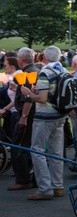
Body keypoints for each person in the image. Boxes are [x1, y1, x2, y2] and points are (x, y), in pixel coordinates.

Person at [20, 46, 68, 200]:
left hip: (45, 115)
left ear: (44, 58)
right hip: (60, 115)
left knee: (37, 150)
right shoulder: (64, 71)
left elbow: (42, 98)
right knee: (56, 152)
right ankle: (57, 186)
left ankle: (44, 188)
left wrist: (28, 94)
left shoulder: (45, 73)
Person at [7, 48, 38, 191]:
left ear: (21, 59)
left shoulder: (27, 74)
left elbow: (28, 98)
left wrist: (24, 117)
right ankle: (29, 176)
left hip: (27, 115)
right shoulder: (35, 70)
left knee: (18, 147)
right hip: (33, 115)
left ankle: (23, 180)